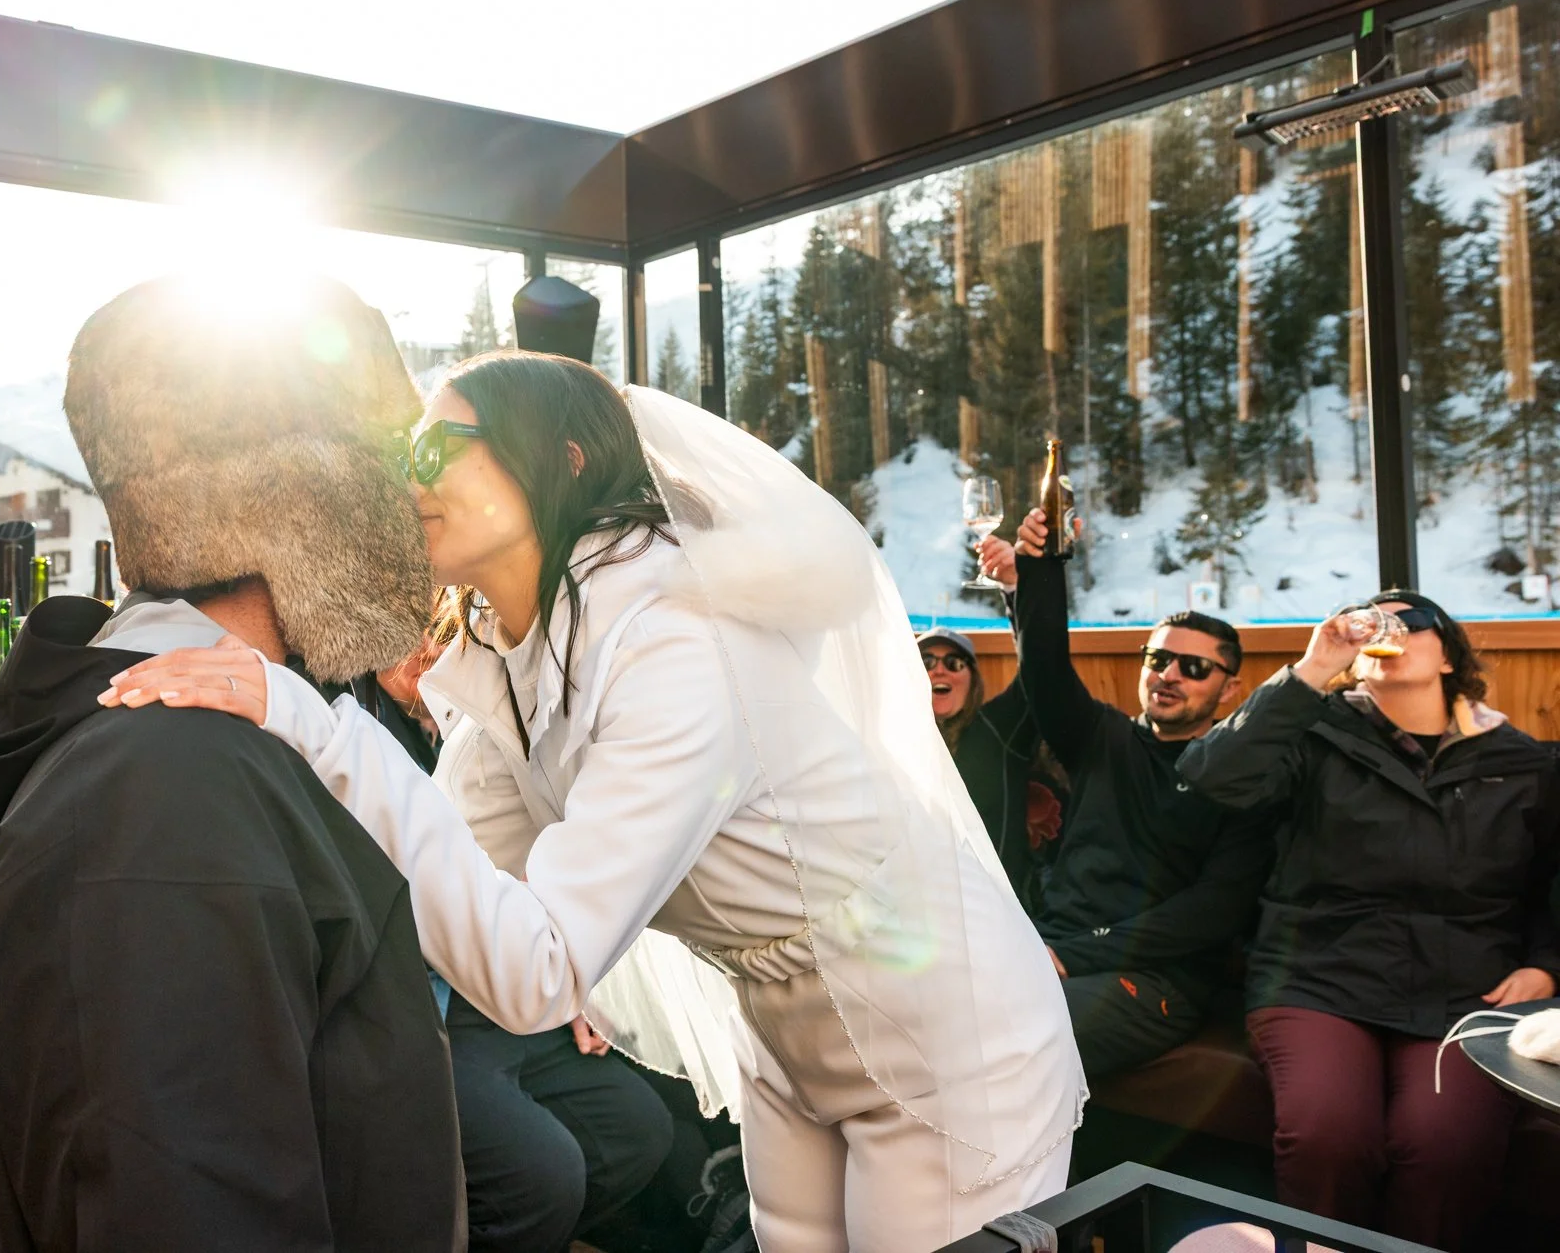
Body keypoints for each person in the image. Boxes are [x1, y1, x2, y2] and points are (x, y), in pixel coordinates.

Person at [106, 352, 1086, 1252]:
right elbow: (444, 888)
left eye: (437, 445)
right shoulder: (512, 661)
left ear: (561, 459)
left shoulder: (672, 638)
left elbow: (538, 970)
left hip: (943, 1032)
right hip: (783, 1032)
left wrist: (313, 725)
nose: (409, 476)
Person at [0, 277, 464, 1252]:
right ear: (307, 500)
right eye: (391, 464)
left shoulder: (221, 739)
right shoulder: (172, 795)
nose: (417, 504)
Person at [1177, 591, 1560, 1251]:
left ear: (1449, 656)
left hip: (1464, 992)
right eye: (1370, 621)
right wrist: (1310, 670)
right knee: (1329, 1135)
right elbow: (1208, 776)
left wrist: (1547, 964)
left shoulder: (1521, 763)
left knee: (1447, 1147)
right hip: (1320, 979)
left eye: (1410, 622)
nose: (1388, 631)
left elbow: (1550, 882)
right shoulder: (1314, 737)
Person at [365, 645, 677, 1253]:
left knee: (639, 1131)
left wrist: (582, 983)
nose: (434, 651)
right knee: (542, 1177)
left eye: (447, 633)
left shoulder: (491, 710)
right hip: (422, 1001)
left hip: (508, 988)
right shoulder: (357, 720)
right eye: (422, 633)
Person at [1007, 507, 1275, 1079]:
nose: (1169, 674)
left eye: (1194, 666)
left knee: (1015, 1032)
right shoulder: (1104, 739)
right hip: (1045, 946)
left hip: (1156, 978)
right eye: (1158, 658)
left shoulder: (1245, 777)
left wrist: (1071, 958)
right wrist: (1041, 567)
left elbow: (1209, 913)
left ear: (1230, 690)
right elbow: (1045, 668)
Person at [919, 620, 1065, 909]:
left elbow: (1041, 663)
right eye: (926, 661)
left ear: (973, 679)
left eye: (953, 662)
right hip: (918, 910)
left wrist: (1013, 591)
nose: (939, 669)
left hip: (994, 909)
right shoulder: (892, 741)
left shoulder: (997, 732)